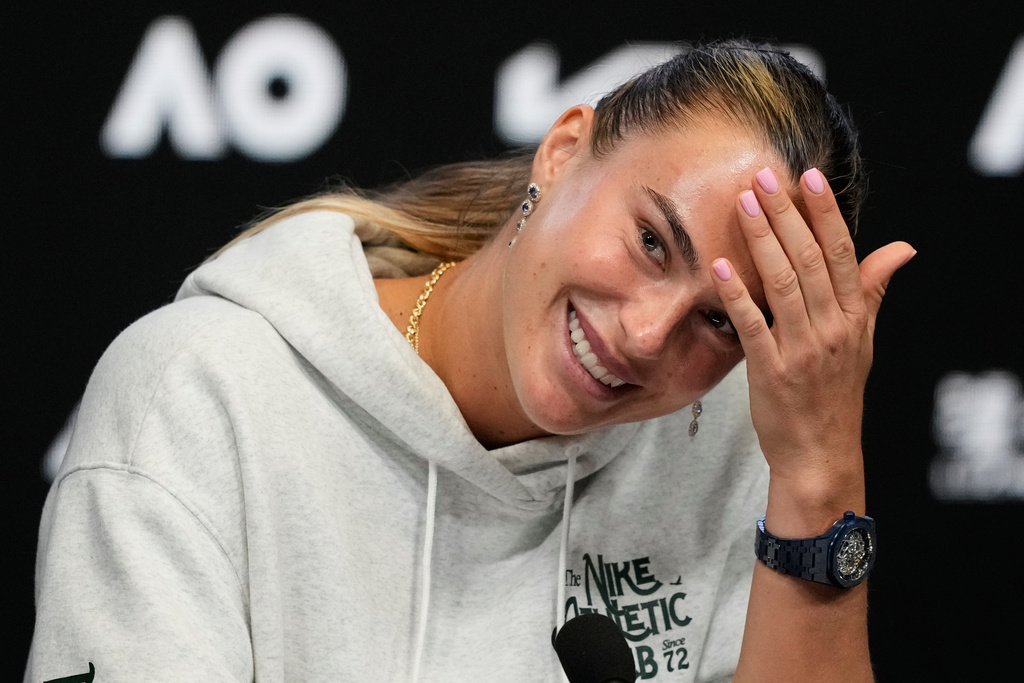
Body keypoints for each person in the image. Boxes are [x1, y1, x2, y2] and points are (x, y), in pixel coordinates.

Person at [25, 39, 913, 682]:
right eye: (651, 240)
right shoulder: (197, 392)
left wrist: (819, 473)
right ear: (562, 152)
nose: (647, 336)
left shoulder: (733, 442)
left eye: (721, 321)